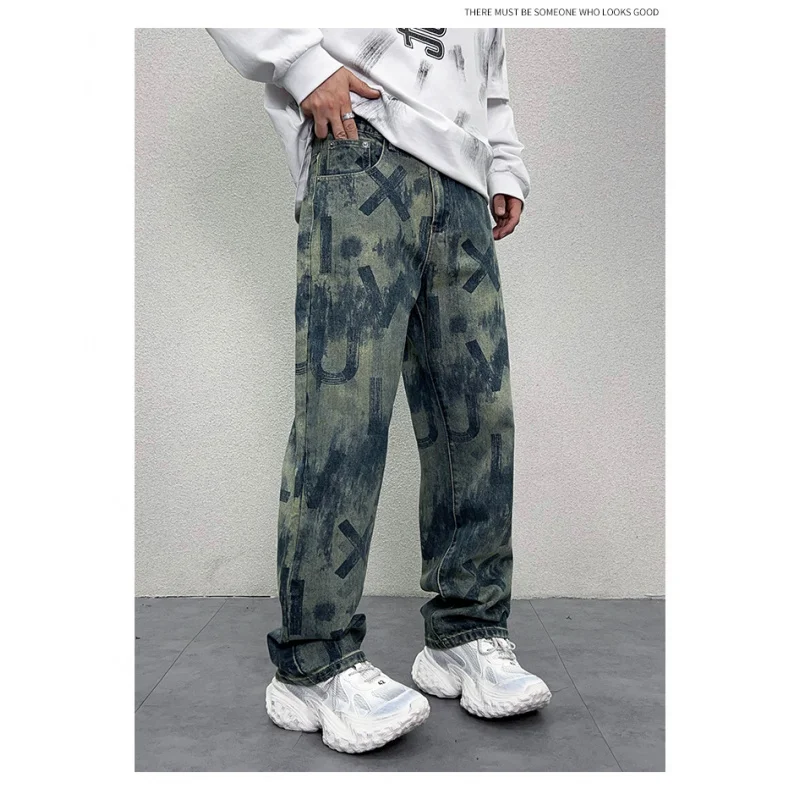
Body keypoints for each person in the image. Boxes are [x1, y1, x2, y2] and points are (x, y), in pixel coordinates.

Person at [207, 27, 551, 754]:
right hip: (364, 145)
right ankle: (314, 663)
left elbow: (487, 64)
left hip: (463, 183)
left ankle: (467, 632)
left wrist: (504, 163)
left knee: (478, 418)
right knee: (344, 420)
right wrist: (303, 65)